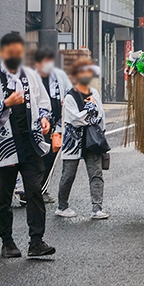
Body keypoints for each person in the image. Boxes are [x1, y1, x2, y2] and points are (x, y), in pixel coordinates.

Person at [0, 32, 55, 259]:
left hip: (30, 142)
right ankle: (7, 242)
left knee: (34, 191)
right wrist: (6, 103)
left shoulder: (30, 76)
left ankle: (36, 241)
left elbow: (44, 102)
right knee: (3, 197)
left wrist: (44, 118)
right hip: (4, 146)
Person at [54, 59, 108, 219]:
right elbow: (76, 120)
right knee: (68, 174)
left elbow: (100, 116)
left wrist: (102, 134)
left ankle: (97, 208)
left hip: (92, 140)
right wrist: (90, 108)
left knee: (96, 174)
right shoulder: (70, 97)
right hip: (73, 141)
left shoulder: (94, 93)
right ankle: (62, 206)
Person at [32, 48, 70, 205]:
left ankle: (42, 188)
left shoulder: (59, 76)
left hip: (55, 125)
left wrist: (67, 99)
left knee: (50, 158)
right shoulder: (31, 78)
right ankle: (33, 189)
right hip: (37, 125)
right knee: (36, 158)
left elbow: (70, 91)